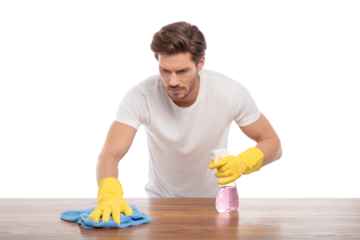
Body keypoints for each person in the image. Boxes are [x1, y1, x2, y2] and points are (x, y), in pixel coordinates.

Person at [90, 19, 283, 225]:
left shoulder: (231, 91)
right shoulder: (140, 94)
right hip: (159, 205)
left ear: (201, 63)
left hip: (215, 206)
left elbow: (274, 145)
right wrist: (109, 195)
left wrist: (243, 162)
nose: (173, 82)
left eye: (182, 71)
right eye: (165, 70)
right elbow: (110, 154)